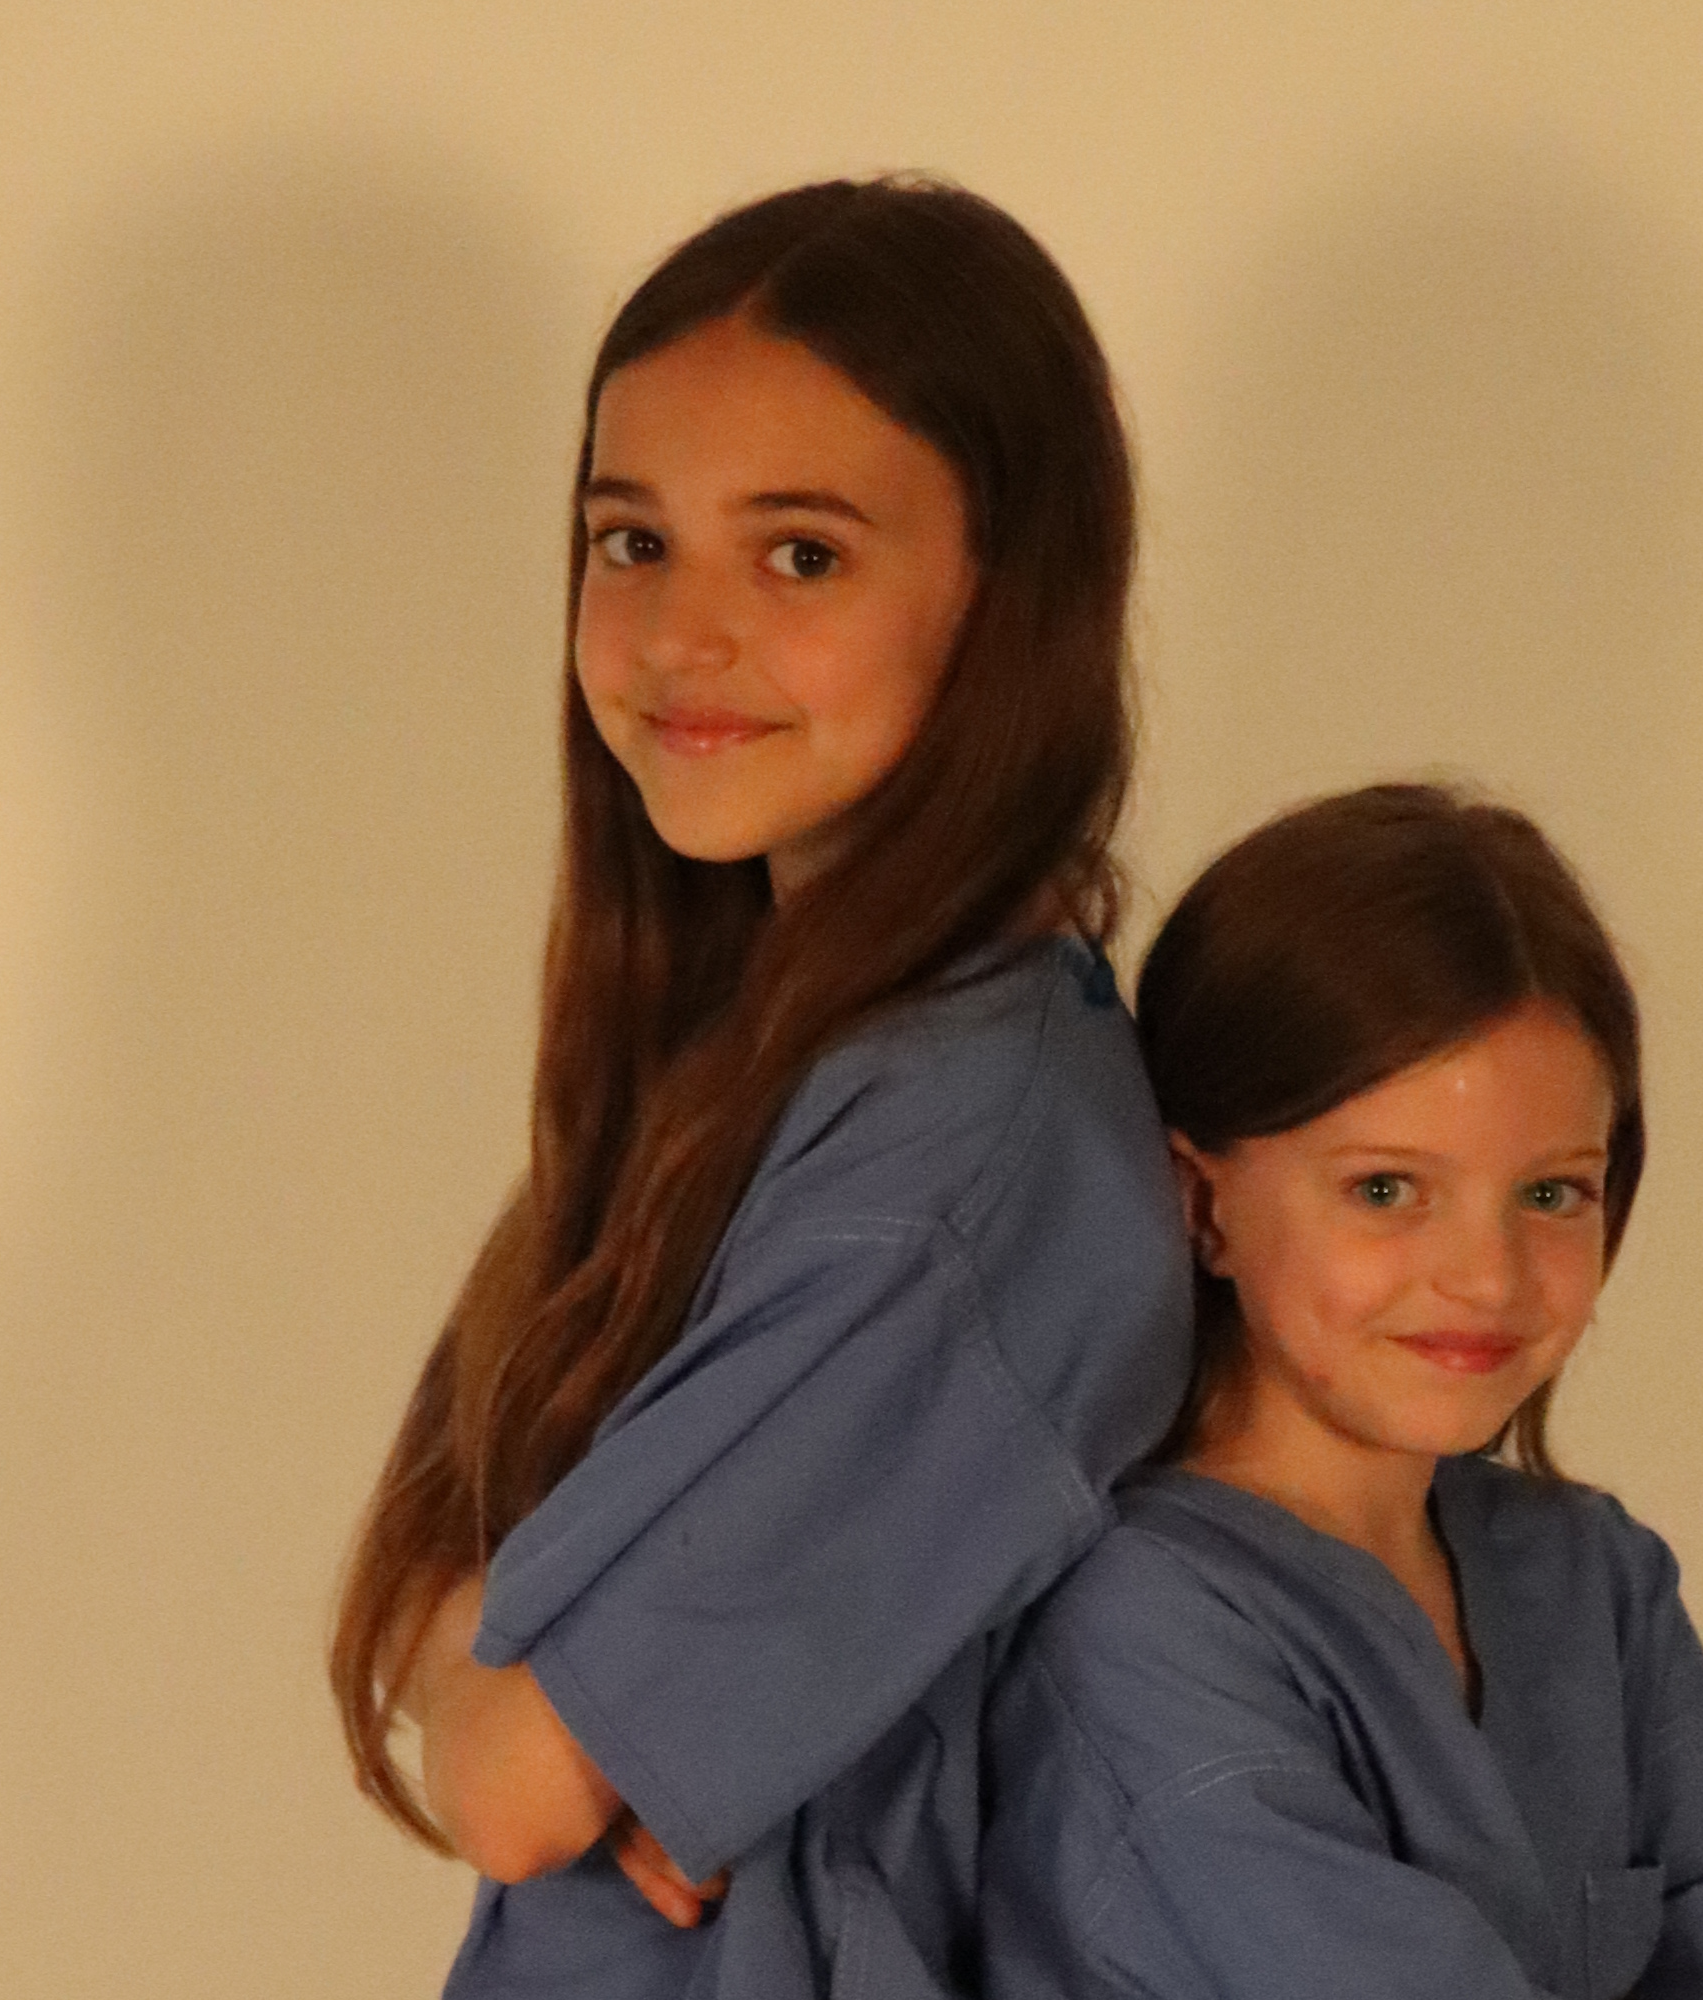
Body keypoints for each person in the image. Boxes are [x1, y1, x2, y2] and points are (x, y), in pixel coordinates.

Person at [328, 177, 1191, 1998]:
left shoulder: (970, 1154)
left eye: (800, 556)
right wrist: (509, 1641)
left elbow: (516, 1783)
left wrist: (514, 1658)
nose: (678, 635)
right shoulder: (756, 1069)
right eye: (631, 540)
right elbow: (424, 1560)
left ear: (1009, 597)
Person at [981, 783, 1703, 2000]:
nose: (1487, 1275)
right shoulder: (1139, 1631)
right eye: (1387, 1189)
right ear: (1201, 1203)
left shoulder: (1595, 1584)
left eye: (1550, 1192)